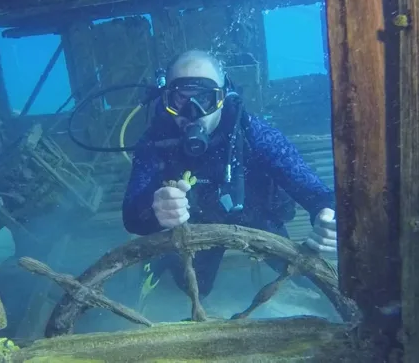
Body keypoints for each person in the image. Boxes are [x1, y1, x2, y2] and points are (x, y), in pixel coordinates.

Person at [122, 49, 338, 299]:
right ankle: (165, 263)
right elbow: (132, 217)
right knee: (195, 288)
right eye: (180, 99)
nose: (192, 113)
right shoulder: (155, 141)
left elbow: (316, 192)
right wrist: (155, 211)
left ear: (223, 97)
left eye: (204, 99)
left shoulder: (253, 133)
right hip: (200, 223)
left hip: (256, 214)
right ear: (166, 99)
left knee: (299, 273)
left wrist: (328, 216)